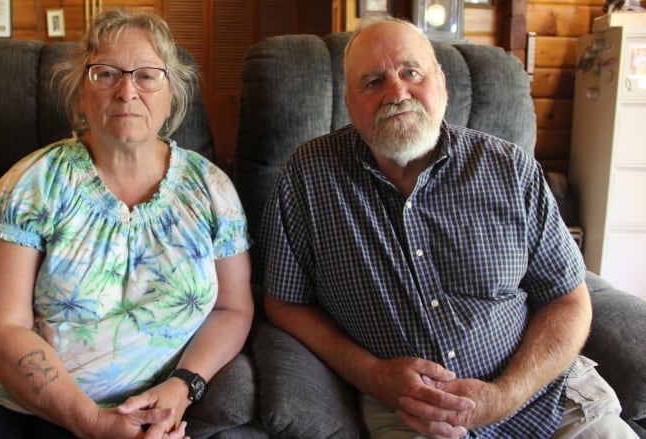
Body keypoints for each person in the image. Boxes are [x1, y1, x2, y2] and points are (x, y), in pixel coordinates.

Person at [259, 14, 638, 439]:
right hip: (413, 413)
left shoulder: (512, 169)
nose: (396, 93)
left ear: (441, 81)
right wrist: (371, 374)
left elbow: (569, 301)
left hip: (546, 398)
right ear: (349, 102)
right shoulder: (307, 178)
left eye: (411, 72)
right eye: (372, 82)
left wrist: (506, 394)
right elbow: (285, 303)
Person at [0, 7, 253, 439]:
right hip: (1, 399)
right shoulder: (32, 183)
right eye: (106, 73)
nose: (127, 91)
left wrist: (184, 386)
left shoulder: (212, 190)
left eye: (147, 75)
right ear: (79, 95)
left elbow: (232, 307)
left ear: (172, 96)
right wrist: (91, 422)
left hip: (143, 410)